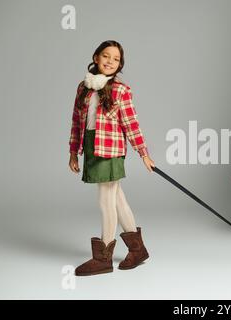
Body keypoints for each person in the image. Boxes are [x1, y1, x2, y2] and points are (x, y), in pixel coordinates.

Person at [68, 40, 155, 276]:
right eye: (106, 56)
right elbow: (77, 122)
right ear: (96, 57)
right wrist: (73, 151)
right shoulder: (84, 87)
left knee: (106, 199)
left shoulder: (120, 90)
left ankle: (103, 258)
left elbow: (131, 124)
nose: (110, 61)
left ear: (120, 65)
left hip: (110, 149)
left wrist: (143, 153)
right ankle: (138, 251)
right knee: (117, 198)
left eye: (116, 59)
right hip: (91, 145)